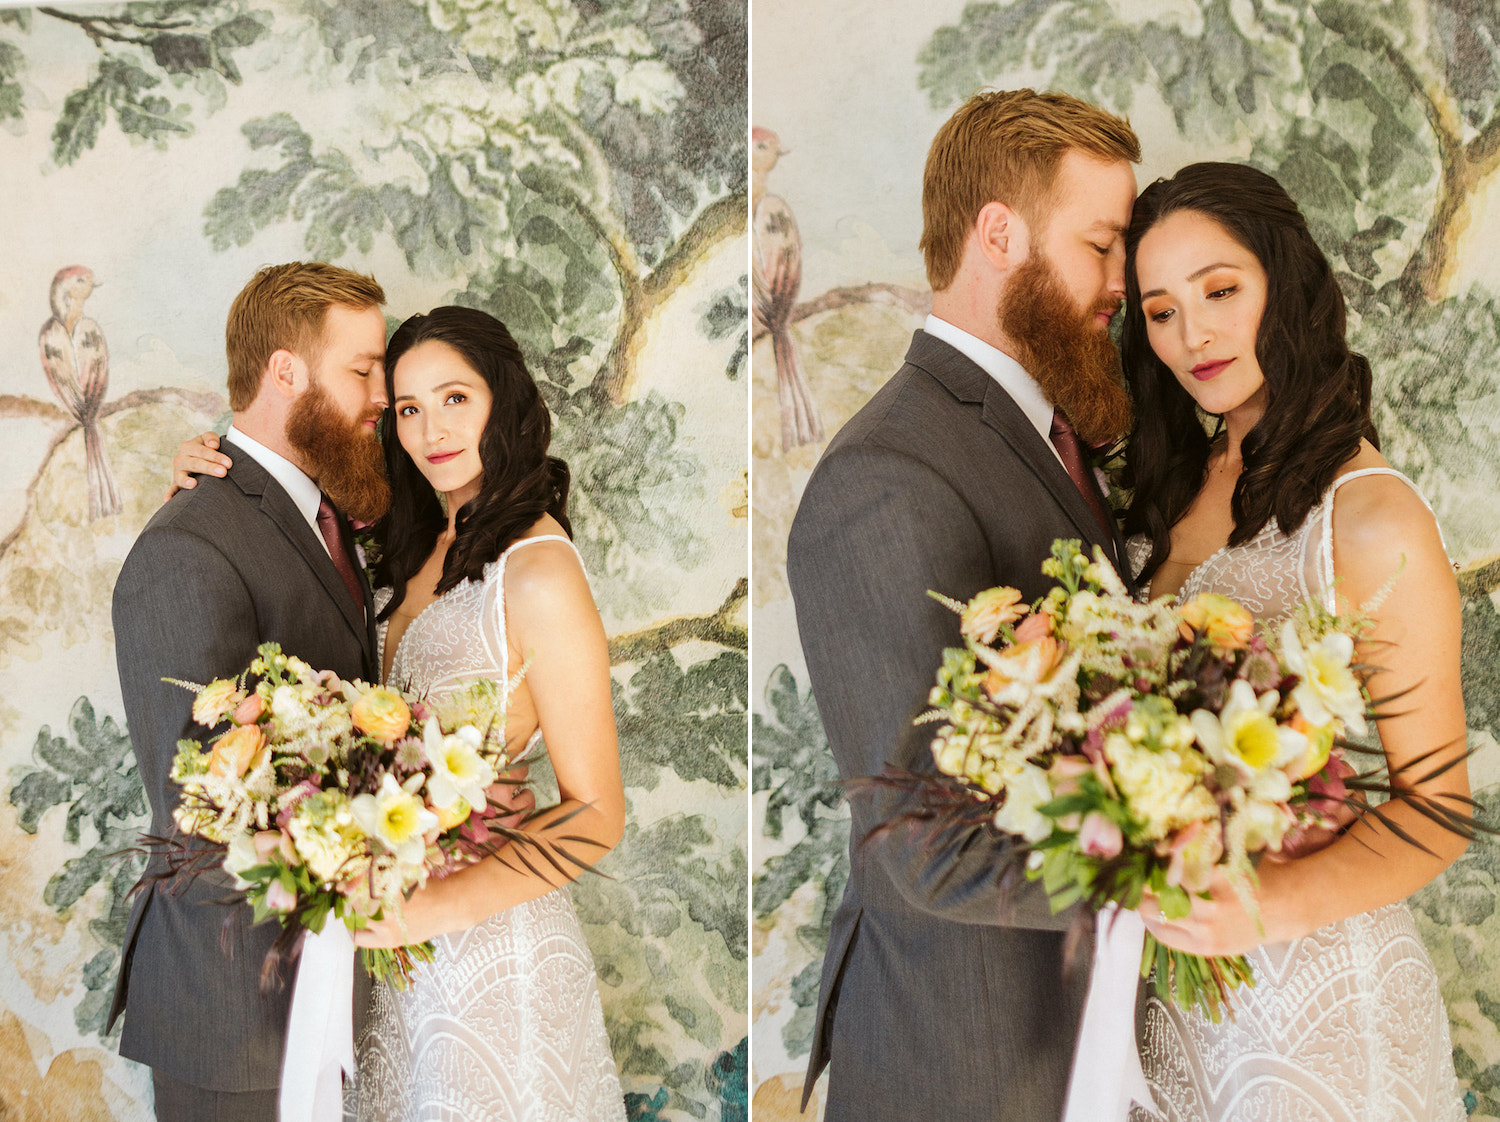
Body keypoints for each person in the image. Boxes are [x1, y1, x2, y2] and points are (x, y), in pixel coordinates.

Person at [173, 306, 628, 1120]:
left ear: (504, 403)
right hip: (390, 962)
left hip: (492, 957)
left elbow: (596, 815)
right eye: (408, 410)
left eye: (455, 398)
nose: (431, 431)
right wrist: (205, 469)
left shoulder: (540, 571)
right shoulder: (405, 543)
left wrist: (425, 911)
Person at [785, 89, 1141, 1121]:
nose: (1120, 285)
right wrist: (1168, 879)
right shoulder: (888, 474)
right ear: (999, 233)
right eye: (1102, 247)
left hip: (1075, 1039)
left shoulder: (1048, 429)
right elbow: (916, 839)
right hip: (965, 1058)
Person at [1119, 162, 1468, 1121]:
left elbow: (1438, 807)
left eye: (1221, 291)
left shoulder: (1369, 518)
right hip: (1168, 1001)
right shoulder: (1171, 483)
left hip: (1317, 1006)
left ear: (1285, 282)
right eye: (1159, 311)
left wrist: (1257, 911)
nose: (1193, 336)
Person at [111, 261, 391, 1121]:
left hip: (332, 992)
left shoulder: (327, 505)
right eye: (364, 370)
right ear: (285, 372)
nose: (381, 395)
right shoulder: (190, 545)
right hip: (238, 1009)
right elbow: (206, 805)